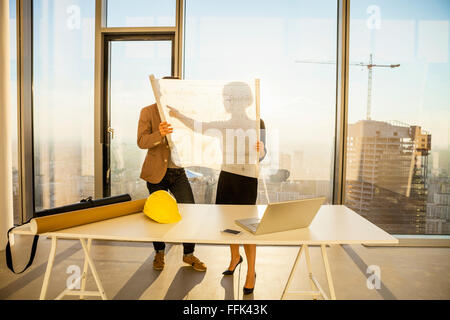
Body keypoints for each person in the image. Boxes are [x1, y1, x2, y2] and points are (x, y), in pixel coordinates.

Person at [168, 82, 266, 294]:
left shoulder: (258, 123)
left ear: (245, 100)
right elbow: (199, 126)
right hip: (227, 178)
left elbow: (263, 155)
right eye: (227, 98)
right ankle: (234, 258)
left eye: (232, 98)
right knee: (228, 224)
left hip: (247, 180)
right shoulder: (224, 125)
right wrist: (177, 116)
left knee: (248, 228)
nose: (228, 102)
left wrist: (261, 149)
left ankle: (251, 272)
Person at [137, 76, 207, 272]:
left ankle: (189, 254)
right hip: (156, 173)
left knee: (189, 212)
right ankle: (159, 253)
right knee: (156, 216)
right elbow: (141, 141)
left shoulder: (182, 113)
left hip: (178, 171)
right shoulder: (148, 111)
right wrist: (159, 133)